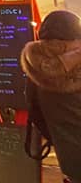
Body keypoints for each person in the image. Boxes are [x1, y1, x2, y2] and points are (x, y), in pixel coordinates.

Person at [21, 10, 81, 183]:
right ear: (73, 39)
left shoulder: (35, 72)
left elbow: (37, 116)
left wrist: (62, 139)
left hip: (69, 159)